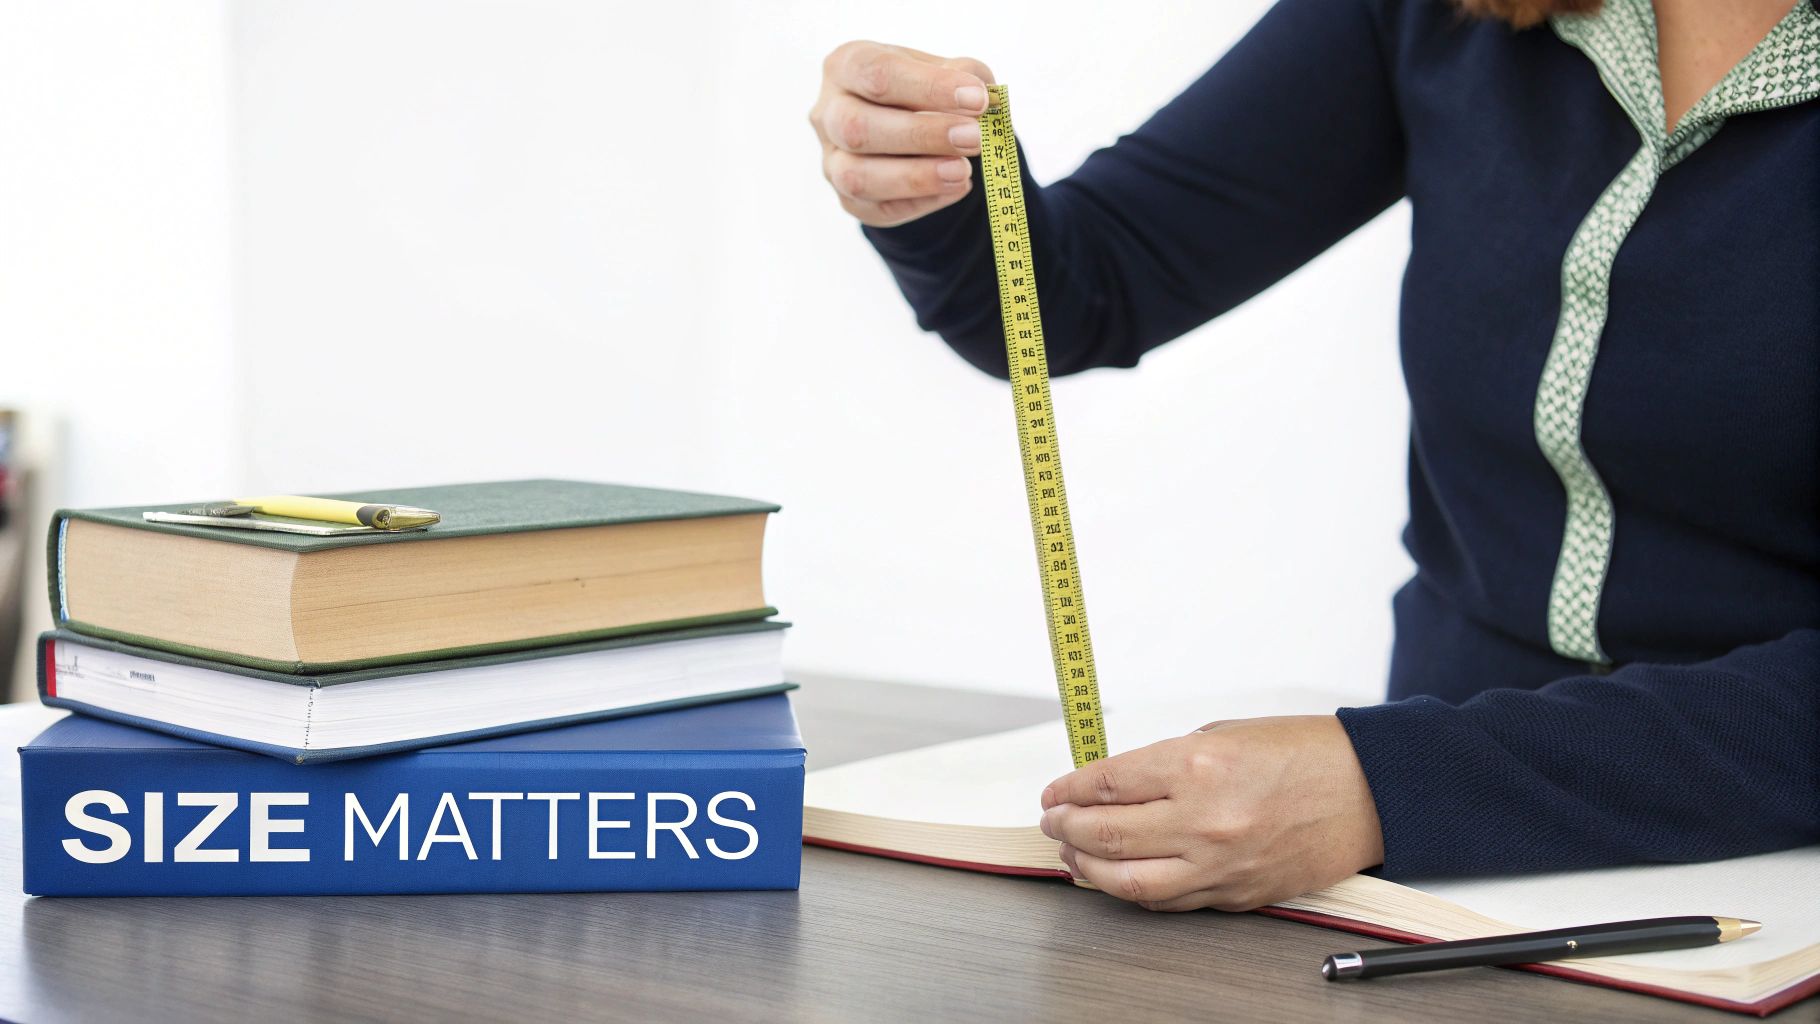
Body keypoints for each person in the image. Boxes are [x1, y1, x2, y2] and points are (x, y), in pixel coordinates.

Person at [808, 0, 1820, 912]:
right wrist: (934, 183)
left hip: (1770, 859)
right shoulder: (1439, 11)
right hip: (1448, 878)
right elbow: (1081, 287)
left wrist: (1393, 783)